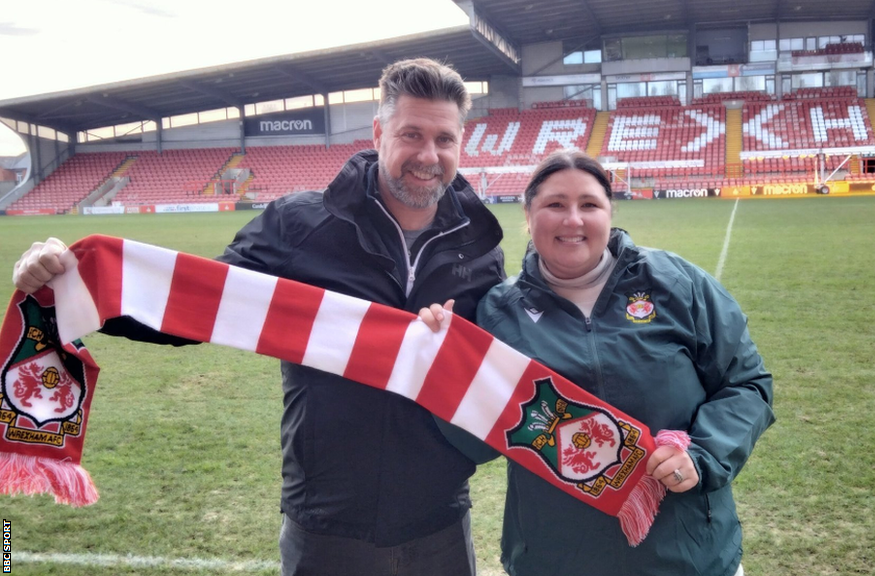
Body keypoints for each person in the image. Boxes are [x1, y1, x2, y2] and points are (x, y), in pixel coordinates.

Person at [12, 58, 506, 576]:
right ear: (379, 132)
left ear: (460, 144)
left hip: (441, 523)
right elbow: (190, 308)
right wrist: (69, 282)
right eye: (412, 134)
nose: (428, 156)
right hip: (326, 522)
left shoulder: (480, 244)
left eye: (444, 139)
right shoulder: (299, 224)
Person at [420, 150, 774, 576]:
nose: (573, 220)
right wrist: (439, 365)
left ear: (610, 211)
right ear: (528, 213)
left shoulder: (678, 283)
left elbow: (747, 384)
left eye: (589, 204)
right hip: (556, 558)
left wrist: (702, 453)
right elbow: (475, 443)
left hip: (688, 556)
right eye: (555, 204)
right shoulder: (499, 311)